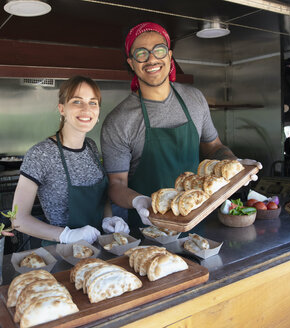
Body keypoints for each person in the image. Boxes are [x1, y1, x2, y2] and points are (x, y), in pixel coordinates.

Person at [100, 22, 261, 234]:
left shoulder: (194, 99)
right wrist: (139, 201)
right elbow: (116, 184)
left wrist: (235, 164)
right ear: (131, 62)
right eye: (141, 53)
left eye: (159, 50)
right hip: (149, 228)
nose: (151, 59)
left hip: (197, 219)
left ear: (169, 55)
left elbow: (213, 147)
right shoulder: (119, 121)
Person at [12, 76, 129, 245]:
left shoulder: (91, 147)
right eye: (77, 101)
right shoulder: (40, 154)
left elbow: (100, 200)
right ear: (62, 108)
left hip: (100, 248)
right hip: (62, 254)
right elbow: (18, 219)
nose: (86, 109)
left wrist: (108, 219)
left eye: (93, 102)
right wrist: (66, 236)